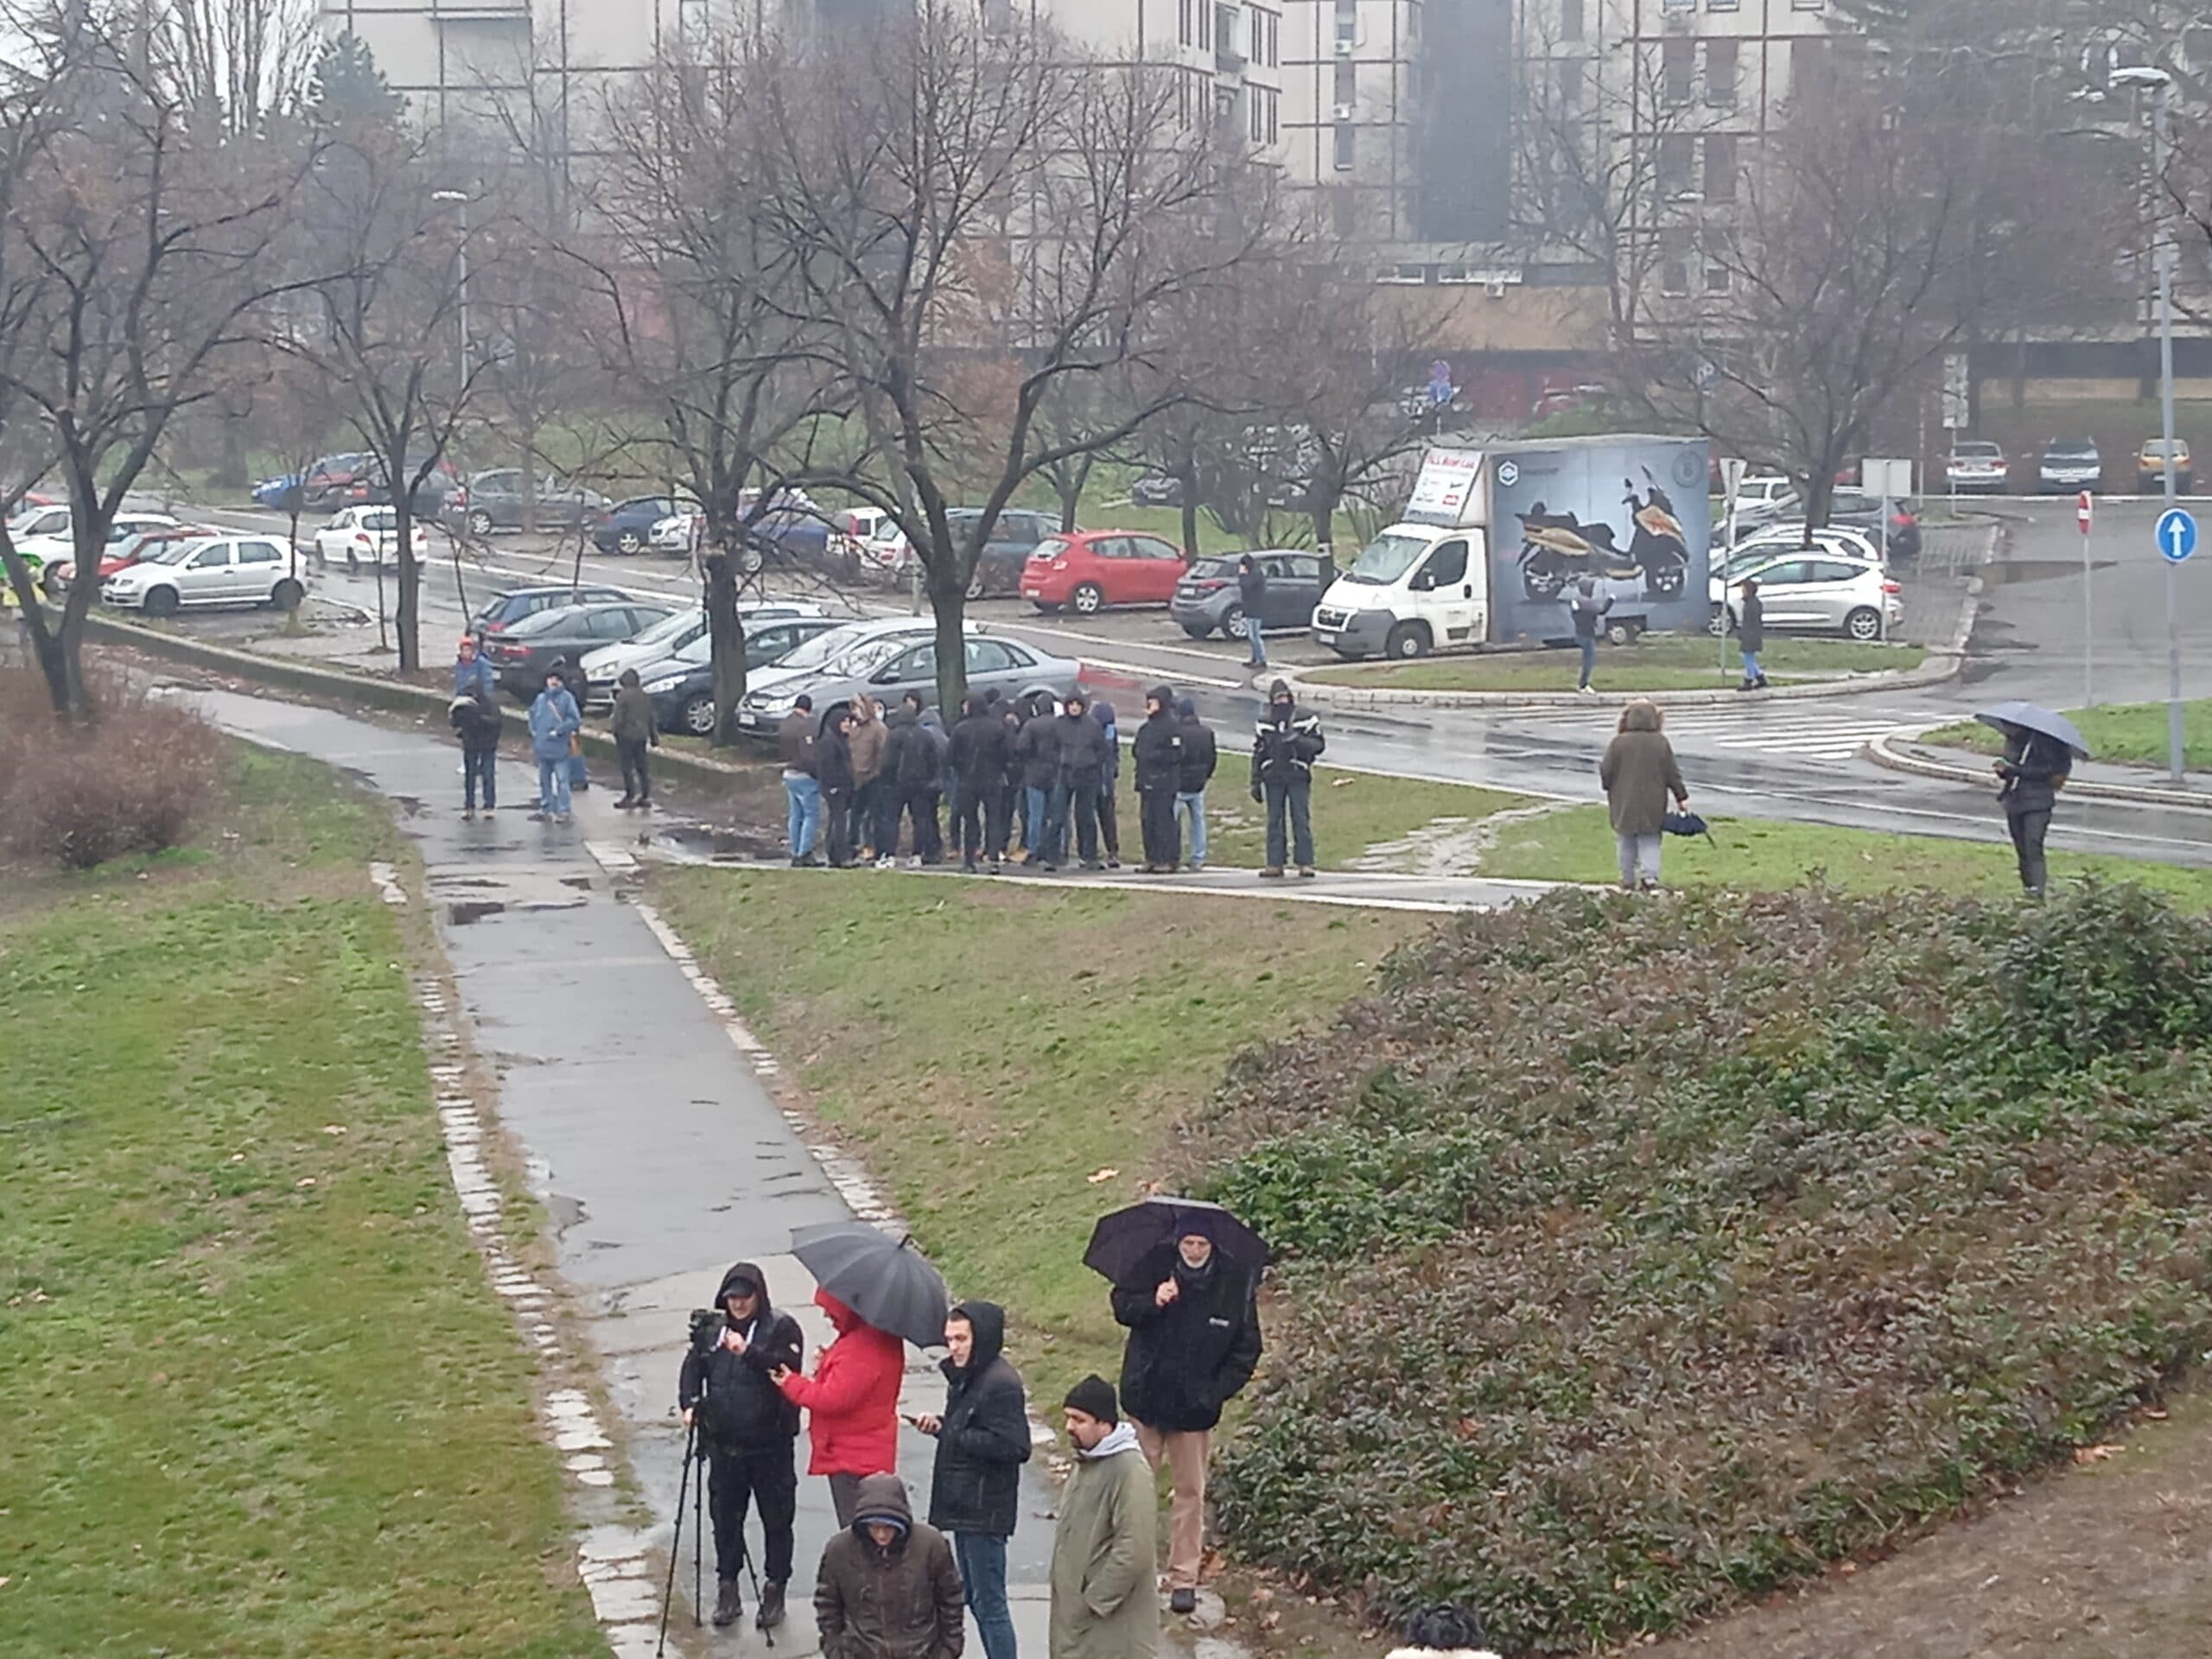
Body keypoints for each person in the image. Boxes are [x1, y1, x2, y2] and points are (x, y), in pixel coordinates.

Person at [1109, 1225, 1262, 1616]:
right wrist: (1153, 1300)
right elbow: (1122, 1307)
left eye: (1201, 1245)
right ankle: (1132, 1570)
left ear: (1213, 1247)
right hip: (1146, 1399)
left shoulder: (1234, 1282)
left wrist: (1213, 1392)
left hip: (1194, 1410)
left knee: (1190, 1492)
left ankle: (1184, 1579)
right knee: (1135, 1489)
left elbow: (1247, 1348)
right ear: (1178, 1243)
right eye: (1188, 1244)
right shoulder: (1153, 1263)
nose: (1193, 1250)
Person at [678, 1262, 805, 1630]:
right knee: (725, 1519)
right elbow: (692, 1369)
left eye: (744, 1297)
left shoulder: (781, 1329)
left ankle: (775, 1588)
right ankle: (728, 1589)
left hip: (771, 1447)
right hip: (725, 1446)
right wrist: (689, 1404)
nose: (738, 1305)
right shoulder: (711, 1332)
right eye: (732, 1298)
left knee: (777, 1519)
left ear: (758, 1296)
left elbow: (786, 1369)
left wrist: (746, 1351)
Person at [917, 1302, 1031, 1659]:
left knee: (989, 1604)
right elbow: (964, 1429)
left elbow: (1015, 1445)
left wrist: (953, 1432)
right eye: (949, 1339)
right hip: (966, 1506)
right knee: (975, 1599)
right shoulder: (968, 1377)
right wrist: (942, 1427)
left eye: (961, 1338)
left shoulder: (999, 1384)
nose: (954, 1347)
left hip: (984, 1511)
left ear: (980, 1338)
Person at [772, 1289, 904, 1526]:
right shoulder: (876, 1337)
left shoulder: (862, 1347)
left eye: (831, 1310)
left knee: (858, 1534)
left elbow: (831, 1399)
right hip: (869, 1451)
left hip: (853, 1457)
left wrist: (791, 1382)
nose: (827, 1316)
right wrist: (829, 1363)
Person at [1048, 1376, 1158, 1659]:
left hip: (1111, 1630)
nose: (1069, 1427)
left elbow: (1135, 1547)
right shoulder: (1086, 1461)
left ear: (1105, 1425)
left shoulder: (1130, 1471)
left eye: (1079, 1420)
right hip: (1078, 1625)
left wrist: (1095, 1600)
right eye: (1068, 1418)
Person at [814, 1472, 967, 1659]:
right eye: (874, 1527)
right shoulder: (840, 1550)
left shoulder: (930, 1546)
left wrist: (948, 1650)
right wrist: (836, 1650)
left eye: (888, 1527)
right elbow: (828, 1605)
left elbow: (951, 1600)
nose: (881, 1535)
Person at [1598, 699, 1688, 892]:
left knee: (1626, 839)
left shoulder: (1618, 743)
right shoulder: (1660, 743)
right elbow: (1672, 772)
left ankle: (1627, 878)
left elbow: (1606, 770)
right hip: (1653, 801)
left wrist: (1609, 786)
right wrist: (1681, 796)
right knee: (1650, 839)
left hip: (1624, 800)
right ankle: (1650, 878)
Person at [1250, 679, 1325, 878]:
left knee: (1300, 819)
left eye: (1284, 697)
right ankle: (1274, 863)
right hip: (1273, 777)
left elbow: (1318, 745)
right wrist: (1255, 781)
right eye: (1277, 698)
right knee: (1274, 820)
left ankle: (1305, 862)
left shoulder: (1305, 717)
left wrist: (1298, 741)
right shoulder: (1264, 721)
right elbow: (1258, 752)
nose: (1281, 701)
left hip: (1298, 775)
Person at [1994, 720, 2070, 894]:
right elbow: (2010, 769)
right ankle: (2028, 889)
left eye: (2010, 727)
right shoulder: (2012, 742)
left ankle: (2038, 891)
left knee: (2033, 846)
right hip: (2015, 800)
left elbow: (2048, 770)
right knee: (2021, 849)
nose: (2007, 731)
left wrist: (2017, 770)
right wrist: (2004, 771)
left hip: (2038, 801)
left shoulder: (2043, 742)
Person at [951, 695, 1014, 874]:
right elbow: (1006, 754)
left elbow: (951, 757)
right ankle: (993, 858)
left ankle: (969, 860)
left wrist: (961, 769)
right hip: (992, 779)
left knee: (970, 821)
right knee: (993, 819)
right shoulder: (996, 728)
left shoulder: (960, 729)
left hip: (967, 780)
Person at [1052, 690, 1112, 870]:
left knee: (1085, 817)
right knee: (1057, 816)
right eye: (1071, 704)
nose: (1075, 708)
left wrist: (1092, 763)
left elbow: (1102, 750)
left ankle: (1089, 855)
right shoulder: (1059, 724)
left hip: (1087, 775)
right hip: (1064, 774)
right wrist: (1060, 762)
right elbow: (1052, 747)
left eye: (1078, 704)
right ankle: (1052, 855)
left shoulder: (1092, 726)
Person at [1131, 685, 1185, 874]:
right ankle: (1151, 857)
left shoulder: (1172, 726)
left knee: (1164, 821)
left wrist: (1154, 756)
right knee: (1147, 820)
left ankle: (1167, 858)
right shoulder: (1146, 728)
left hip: (1164, 781)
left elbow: (1177, 754)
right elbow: (1136, 750)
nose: (1149, 705)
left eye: (1153, 701)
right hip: (1146, 780)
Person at [528, 667, 582, 823]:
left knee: (562, 781)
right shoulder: (540, 699)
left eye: (557, 679)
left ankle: (564, 810)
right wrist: (534, 732)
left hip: (560, 748)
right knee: (544, 781)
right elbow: (532, 716)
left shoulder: (567, 698)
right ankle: (546, 807)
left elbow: (575, 720)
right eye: (551, 678)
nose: (553, 682)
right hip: (543, 747)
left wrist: (559, 731)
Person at [1016, 693, 1059, 866]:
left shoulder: (1031, 726)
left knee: (1035, 815)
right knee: (1056, 814)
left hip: (1034, 774)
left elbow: (1021, 747)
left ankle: (1033, 850)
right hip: (1056, 773)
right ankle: (1055, 850)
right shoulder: (1060, 725)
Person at [779, 694, 823, 868]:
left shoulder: (785, 724)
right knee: (811, 815)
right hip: (804, 775)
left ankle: (795, 850)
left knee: (795, 815)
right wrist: (817, 774)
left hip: (788, 773)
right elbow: (808, 755)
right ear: (808, 709)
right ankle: (804, 853)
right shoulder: (805, 726)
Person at [1172, 699, 1215, 872]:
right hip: (1199, 782)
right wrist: (1206, 776)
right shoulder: (1207, 732)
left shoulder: (1178, 733)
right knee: (1198, 820)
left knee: (1172, 820)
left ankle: (1173, 855)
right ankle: (1198, 856)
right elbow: (1212, 758)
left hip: (1179, 783)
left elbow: (1175, 759)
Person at [448, 684, 501, 820]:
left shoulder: (490, 704)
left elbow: (496, 722)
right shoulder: (462, 704)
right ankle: (469, 806)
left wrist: (479, 718)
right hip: (471, 743)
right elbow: (454, 723)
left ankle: (489, 806)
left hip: (487, 744)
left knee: (487, 774)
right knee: (470, 776)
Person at [610, 667, 660, 810]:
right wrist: (654, 736)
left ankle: (629, 795)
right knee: (642, 766)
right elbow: (651, 718)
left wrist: (615, 731)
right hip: (641, 736)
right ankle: (645, 795)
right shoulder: (645, 696)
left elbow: (619, 718)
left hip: (626, 736)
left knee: (627, 766)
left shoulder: (623, 696)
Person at [849, 696, 890, 862]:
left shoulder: (878, 729)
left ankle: (877, 849)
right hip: (856, 778)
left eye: (858, 708)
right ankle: (853, 847)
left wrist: (877, 772)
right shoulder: (854, 729)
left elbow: (883, 754)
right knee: (855, 816)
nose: (855, 712)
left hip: (873, 778)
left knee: (875, 816)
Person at [817, 708, 860, 868]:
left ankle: (834, 853)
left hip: (843, 787)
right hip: (836, 788)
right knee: (839, 821)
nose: (848, 725)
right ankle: (841, 855)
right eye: (845, 722)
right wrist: (831, 786)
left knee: (836, 820)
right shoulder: (829, 742)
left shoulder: (840, 740)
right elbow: (826, 767)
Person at [553, 655, 593, 793]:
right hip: (577, 714)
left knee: (571, 748)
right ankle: (578, 777)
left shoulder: (568, 676)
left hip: (568, 716)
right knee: (575, 746)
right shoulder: (581, 673)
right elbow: (584, 694)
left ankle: (576, 778)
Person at [1092, 701, 1123, 869]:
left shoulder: (1112, 733)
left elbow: (1116, 752)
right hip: (1093, 780)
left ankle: (1112, 851)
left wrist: (1114, 769)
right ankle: (1091, 851)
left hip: (1106, 781)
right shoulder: (1092, 731)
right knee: (1090, 818)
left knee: (1108, 819)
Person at [1569, 576, 1612, 695]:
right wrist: (1610, 600)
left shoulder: (1578, 601)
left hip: (1582, 633)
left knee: (1588, 661)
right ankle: (1583, 685)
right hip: (1586, 635)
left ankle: (1583, 684)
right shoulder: (1584, 601)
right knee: (1588, 661)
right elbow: (1601, 610)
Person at [1736, 578, 1768, 691]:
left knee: (1748, 657)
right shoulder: (1752, 602)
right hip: (1751, 634)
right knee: (1749, 657)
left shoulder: (1751, 604)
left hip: (1750, 635)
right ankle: (1760, 678)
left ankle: (1749, 680)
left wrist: (1745, 633)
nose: (1742, 591)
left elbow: (1751, 621)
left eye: (1743, 589)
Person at [1236, 556, 1268, 670]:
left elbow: (1246, 586)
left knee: (1254, 635)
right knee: (1252, 635)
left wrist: (1242, 575)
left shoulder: (1255, 575)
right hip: (1250, 608)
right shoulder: (1255, 574)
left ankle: (1261, 659)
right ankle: (1255, 657)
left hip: (1255, 608)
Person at [452, 634, 497, 700]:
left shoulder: (482, 662)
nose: (467, 653)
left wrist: (485, 698)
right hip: (462, 697)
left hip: (478, 698)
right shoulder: (459, 663)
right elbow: (458, 682)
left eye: (469, 650)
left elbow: (487, 682)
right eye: (465, 650)